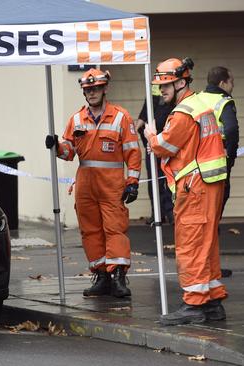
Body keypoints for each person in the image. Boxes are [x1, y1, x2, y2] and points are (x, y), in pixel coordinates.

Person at [144, 58, 228, 326]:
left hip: (194, 187)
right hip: (208, 184)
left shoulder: (183, 112)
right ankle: (212, 301)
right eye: (159, 86)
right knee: (206, 244)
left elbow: (164, 146)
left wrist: (150, 137)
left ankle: (194, 304)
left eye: (166, 85)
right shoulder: (202, 105)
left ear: (181, 82)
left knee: (190, 244)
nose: (161, 91)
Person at [45, 69, 141, 298]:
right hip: (86, 183)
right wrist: (56, 146)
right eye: (88, 90)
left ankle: (118, 276)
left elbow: (133, 152)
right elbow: (69, 152)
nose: (92, 93)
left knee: (114, 228)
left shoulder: (120, 116)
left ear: (104, 88)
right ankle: (101, 276)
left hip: (112, 184)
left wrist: (133, 181)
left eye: (95, 88)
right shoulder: (76, 119)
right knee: (90, 231)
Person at [198, 66, 238, 279]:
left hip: (196, 170)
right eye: (231, 83)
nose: (232, 87)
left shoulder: (197, 99)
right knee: (213, 221)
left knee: (203, 221)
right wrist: (229, 158)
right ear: (223, 83)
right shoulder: (224, 101)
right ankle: (211, 267)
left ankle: (205, 266)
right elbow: (230, 130)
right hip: (218, 170)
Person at [134, 85, 175, 225]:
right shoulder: (153, 91)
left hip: (167, 145)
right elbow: (144, 113)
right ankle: (158, 214)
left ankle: (171, 213)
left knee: (168, 179)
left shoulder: (171, 101)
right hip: (152, 145)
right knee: (155, 181)